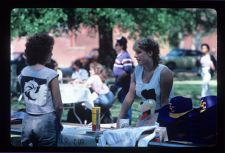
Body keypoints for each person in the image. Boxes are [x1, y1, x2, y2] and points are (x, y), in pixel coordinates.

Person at [18, 33, 63, 147]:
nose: (52, 54)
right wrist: (57, 121)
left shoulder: (23, 72)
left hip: (27, 120)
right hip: (46, 121)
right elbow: (59, 106)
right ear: (43, 53)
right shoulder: (51, 74)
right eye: (50, 50)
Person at [117, 37, 174, 127]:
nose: (135, 56)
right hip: (144, 117)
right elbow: (130, 96)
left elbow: (165, 103)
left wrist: (163, 127)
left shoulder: (164, 72)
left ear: (150, 53)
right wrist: (120, 119)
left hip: (161, 117)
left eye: (139, 52)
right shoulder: (137, 70)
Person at [113, 36, 134, 123]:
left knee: (126, 104)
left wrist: (118, 80)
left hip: (124, 85)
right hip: (121, 84)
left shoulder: (125, 56)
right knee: (123, 104)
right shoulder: (120, 56)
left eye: (117, 44)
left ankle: (127, 123)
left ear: (121, 46)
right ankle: (124, 123)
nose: (115, 46)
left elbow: (128, 70)